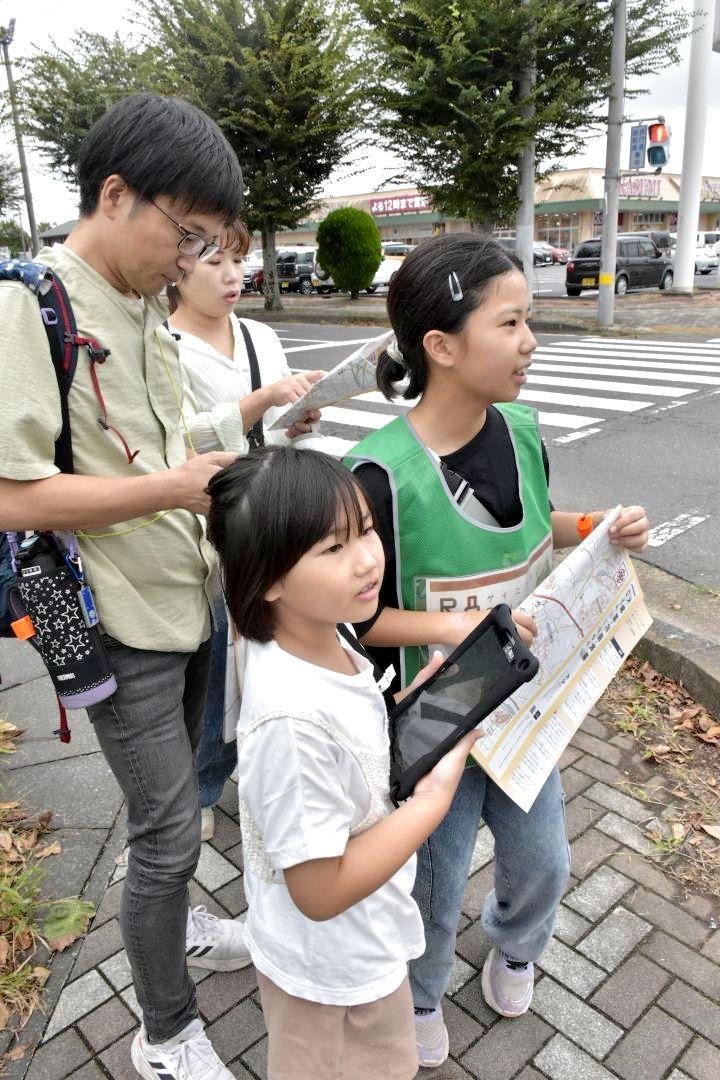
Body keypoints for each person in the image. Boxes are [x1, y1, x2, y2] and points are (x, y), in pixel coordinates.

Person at [344, 233, 650, 1068]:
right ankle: (422, 992)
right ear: (441, 346)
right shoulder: (375, 479)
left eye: (530, 319)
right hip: (437, 723)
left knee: (545, 860)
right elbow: (352, 621)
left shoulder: (522, 431)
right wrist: (452, 629)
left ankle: (514, 950)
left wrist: (596, 529)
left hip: (525, 709)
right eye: (511, 322)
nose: (531, 341)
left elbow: (537, 519)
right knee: (434, 888)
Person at [0, 94, 254, 1080]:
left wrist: (228, 465)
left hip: (186, 599)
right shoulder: (32, 305)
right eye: (184, 234)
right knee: (161, 827)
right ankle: (164, 1031)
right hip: (117, 625)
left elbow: (167, 444)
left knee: (184, 806)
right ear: (115, 195)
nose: (191, 260)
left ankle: (177, 921)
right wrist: (175, 486)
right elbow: (15, 496)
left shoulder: (143, 308)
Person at [206, 446, 481, 1080]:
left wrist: (400, 717)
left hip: (354, 949)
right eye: (332, 548)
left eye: (366, 529)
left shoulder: (318, 628)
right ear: (267, 576)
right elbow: (320, 889)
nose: (367, 558)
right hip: (332, 977)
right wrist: (434, 801)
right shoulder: (291, 722)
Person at [166, 223, 324, 841]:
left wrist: (298, 420)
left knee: (271, 653)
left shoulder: (258, 334)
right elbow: (178, 436)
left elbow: (278, 432)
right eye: (215, 262)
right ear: (179, 268)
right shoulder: (165, 345)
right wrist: (259, 402)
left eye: (237, 260)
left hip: (272, 517)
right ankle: (203, 787)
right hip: (210, 532)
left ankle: (270, 771)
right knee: (214, 668)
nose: (233, 275)